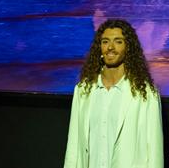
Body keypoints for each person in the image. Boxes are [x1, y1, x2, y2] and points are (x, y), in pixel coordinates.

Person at [64, 19, 163, 168]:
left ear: (128, 47)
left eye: (118, 41)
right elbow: (73, 145)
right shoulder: (83, 90)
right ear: (99, 47)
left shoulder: (146, 93)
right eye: (105, 42)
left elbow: (155, 149)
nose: (110, 47)